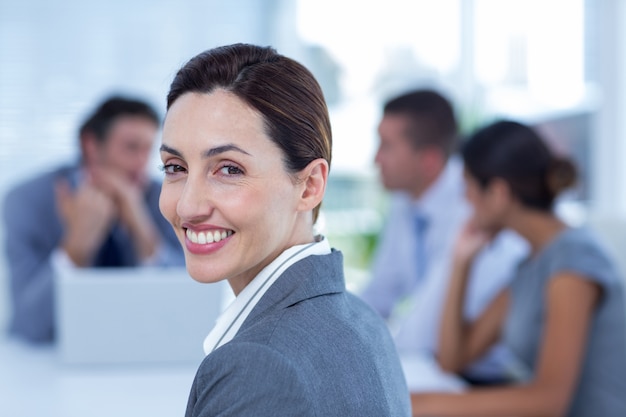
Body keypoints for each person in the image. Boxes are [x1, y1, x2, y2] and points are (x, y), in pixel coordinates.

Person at [158, 43, 411, 416]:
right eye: (175, 167)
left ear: (309, 186)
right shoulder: (361, 319)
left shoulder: (257, 366)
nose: (188, 207)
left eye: (229, 169)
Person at [411, 120, 626, 417]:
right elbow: (453, 359)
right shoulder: (530, 266)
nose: (465, 200)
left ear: (498, 193)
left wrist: (419, 405)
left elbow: (548, 402)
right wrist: (461, 262)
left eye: (469, 187)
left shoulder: (575, 259)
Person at [360, 89, 528, 384]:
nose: (375, 158)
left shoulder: (473, 206)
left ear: (429, 160)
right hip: (439, 366)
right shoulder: (406, 202)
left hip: (487, 377)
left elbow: (425, 328)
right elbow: (379, 294)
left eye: (386, 146)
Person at [3, 95, 185, 343]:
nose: (142, 163)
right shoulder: (27, 200)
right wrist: (74, 249)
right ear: (91, 145)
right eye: (131, 147)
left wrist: (141, 229)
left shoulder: (162, 196)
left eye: (148, 150)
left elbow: (185, 310)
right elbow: (28, 324)